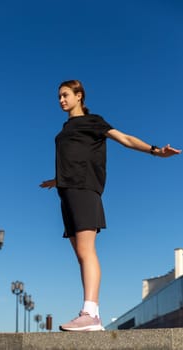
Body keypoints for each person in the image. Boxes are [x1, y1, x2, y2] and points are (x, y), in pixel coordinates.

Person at [40, 79, 181, 332]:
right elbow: (74, 158)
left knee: (86, 251)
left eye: (65, 95)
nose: (60, 100)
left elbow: (124, 138)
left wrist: (155, 150)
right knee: (80, 256)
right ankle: (90, 313)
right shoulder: (66, 127)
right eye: (58, 96)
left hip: (84, 189)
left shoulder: (93, 122)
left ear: (79, 96)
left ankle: (91, 313)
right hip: (67, 192)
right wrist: (57, 180)